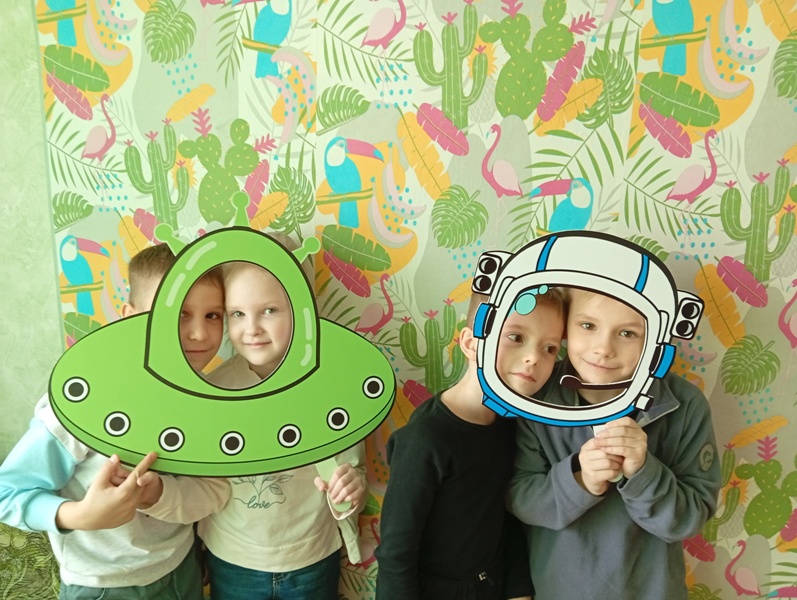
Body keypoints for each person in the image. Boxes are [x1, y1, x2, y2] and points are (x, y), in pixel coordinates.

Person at [0, 243, 228, 599]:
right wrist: (81, 515)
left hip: (181, 570)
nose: (199, 334)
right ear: (129, 317)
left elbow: (211, 490)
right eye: (178, 314)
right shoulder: (84, 403)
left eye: (212, 315)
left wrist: (159, 494)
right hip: (102, 586)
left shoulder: (207, 400)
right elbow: (8, 493)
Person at [507, 288, 722, 600]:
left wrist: (643, 473)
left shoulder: (685, 406)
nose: (603, 349)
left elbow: (691, 517)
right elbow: (518, 497)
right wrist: (580, 480)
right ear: (565, 326)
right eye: (588, 325)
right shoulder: (535, 400)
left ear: (655, 337)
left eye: (627, 333)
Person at [178, 254, 367, 600]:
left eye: (269, 310)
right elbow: (199, 484)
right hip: (233, 560)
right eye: (237, 313)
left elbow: (352, 475)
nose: (251, 328)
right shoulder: (213, 391)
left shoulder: (333, 390)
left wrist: (352, 488)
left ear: (301, 311)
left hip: (312, 557)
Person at [375, 287, 566, 600]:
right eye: (516, 337)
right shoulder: (426, 439)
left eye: (549, 348)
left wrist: (518, 591)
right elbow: (397, 552)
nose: (534, 357)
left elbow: (506, 518)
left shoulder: (511, 426)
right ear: (470, 343)